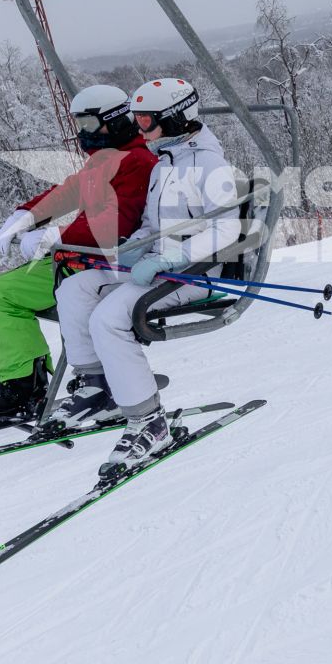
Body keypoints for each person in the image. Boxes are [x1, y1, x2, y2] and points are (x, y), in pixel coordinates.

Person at [51, 76, 243, 481]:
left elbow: (225, 231)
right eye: (137, 120)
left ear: (175, 118)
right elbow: (154, 224)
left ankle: (149, 422)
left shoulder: (210, 165)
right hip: (159, 264)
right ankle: (97, 386)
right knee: (75, 288)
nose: (139, 130)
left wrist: (172, 257)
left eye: (146, 121)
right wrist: (132, 249)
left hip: (197, 272)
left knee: (110, 317)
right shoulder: (165, 161)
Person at [0, 84, 157, 421]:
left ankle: (25, 387)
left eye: (87, 124)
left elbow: (115, 225)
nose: (83, 134)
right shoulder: (107, 160)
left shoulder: (137, 162)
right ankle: (22, 380)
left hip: (99, 264)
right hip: (77, 257)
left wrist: (51, 238)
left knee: (1, 295)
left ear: (112, 121)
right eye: (79, 125)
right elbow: (69, 191)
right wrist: (27, 214)